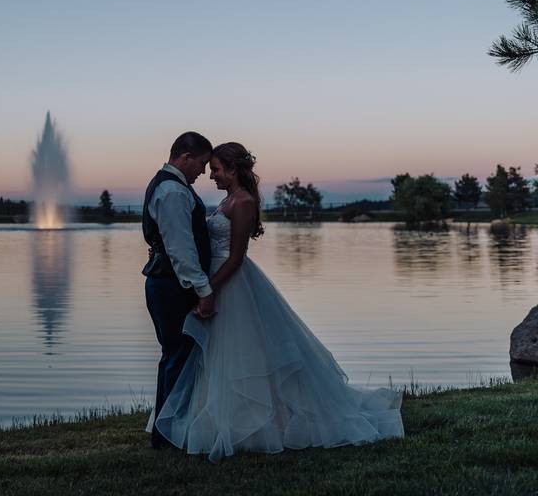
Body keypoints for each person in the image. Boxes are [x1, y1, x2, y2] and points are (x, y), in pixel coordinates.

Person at [149, 142, 404, 460]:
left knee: (241, 354)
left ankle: (257, 423)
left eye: (215, 169)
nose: (210, 175)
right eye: (209, 168)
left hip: (231, 284)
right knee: (217, 356)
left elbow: (237, 257)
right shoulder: (227, 199)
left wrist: (208, 290)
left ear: (231, 169)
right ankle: (218, 421)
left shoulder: (241, 202)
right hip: (216, 282)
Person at [142, 131, 215, 449]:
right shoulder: (172, 190)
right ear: (185, 157)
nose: (203, 172)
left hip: (168, 283)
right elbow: (181, 250)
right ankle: (168, 436)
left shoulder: (167, 185)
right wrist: (204, 290)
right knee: (177, 358)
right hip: (173, 285)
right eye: (201, 164)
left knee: (174, 356)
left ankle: (166, 433)